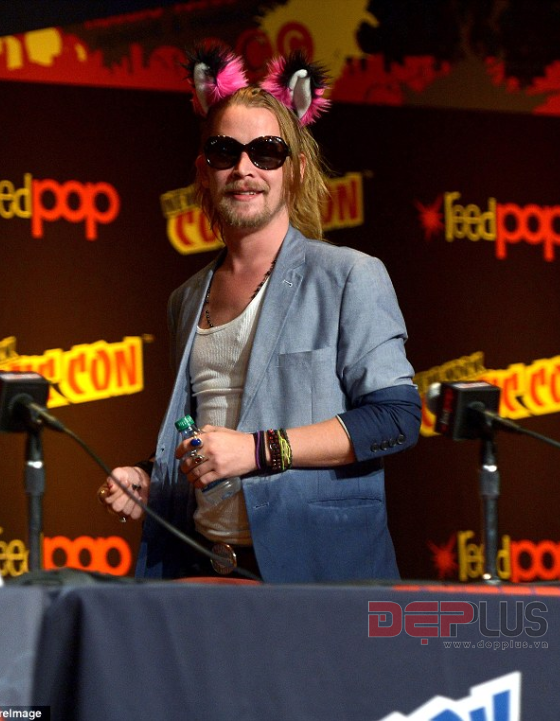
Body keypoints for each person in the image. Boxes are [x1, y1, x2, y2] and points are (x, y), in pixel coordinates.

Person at [99, 47, 422, 583]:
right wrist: (151, 477)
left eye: (267, 152)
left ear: (295, 170)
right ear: (203, 171)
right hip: (206, 566)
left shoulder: (349, 275)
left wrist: (258, 450)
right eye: (225, 151)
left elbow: (395, 419)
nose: (244, 168)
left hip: (317, 576)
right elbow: (213, 434)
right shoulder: (186, 298)